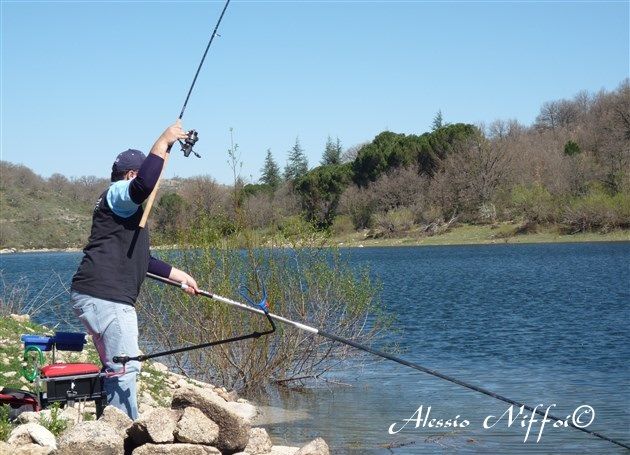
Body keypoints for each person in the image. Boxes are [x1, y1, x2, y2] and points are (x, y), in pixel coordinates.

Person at [70, 120, 198, 420]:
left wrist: (183, 277)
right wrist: (164, 141)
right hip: (107, 298)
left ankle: (110, 429)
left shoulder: (123, 211)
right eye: (139, 175)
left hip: (94, 295)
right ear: (129, 175)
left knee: (117, 367)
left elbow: (144, 260)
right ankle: (123, 434)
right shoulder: (118, 194)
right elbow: (143, 186)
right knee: (125, 368)